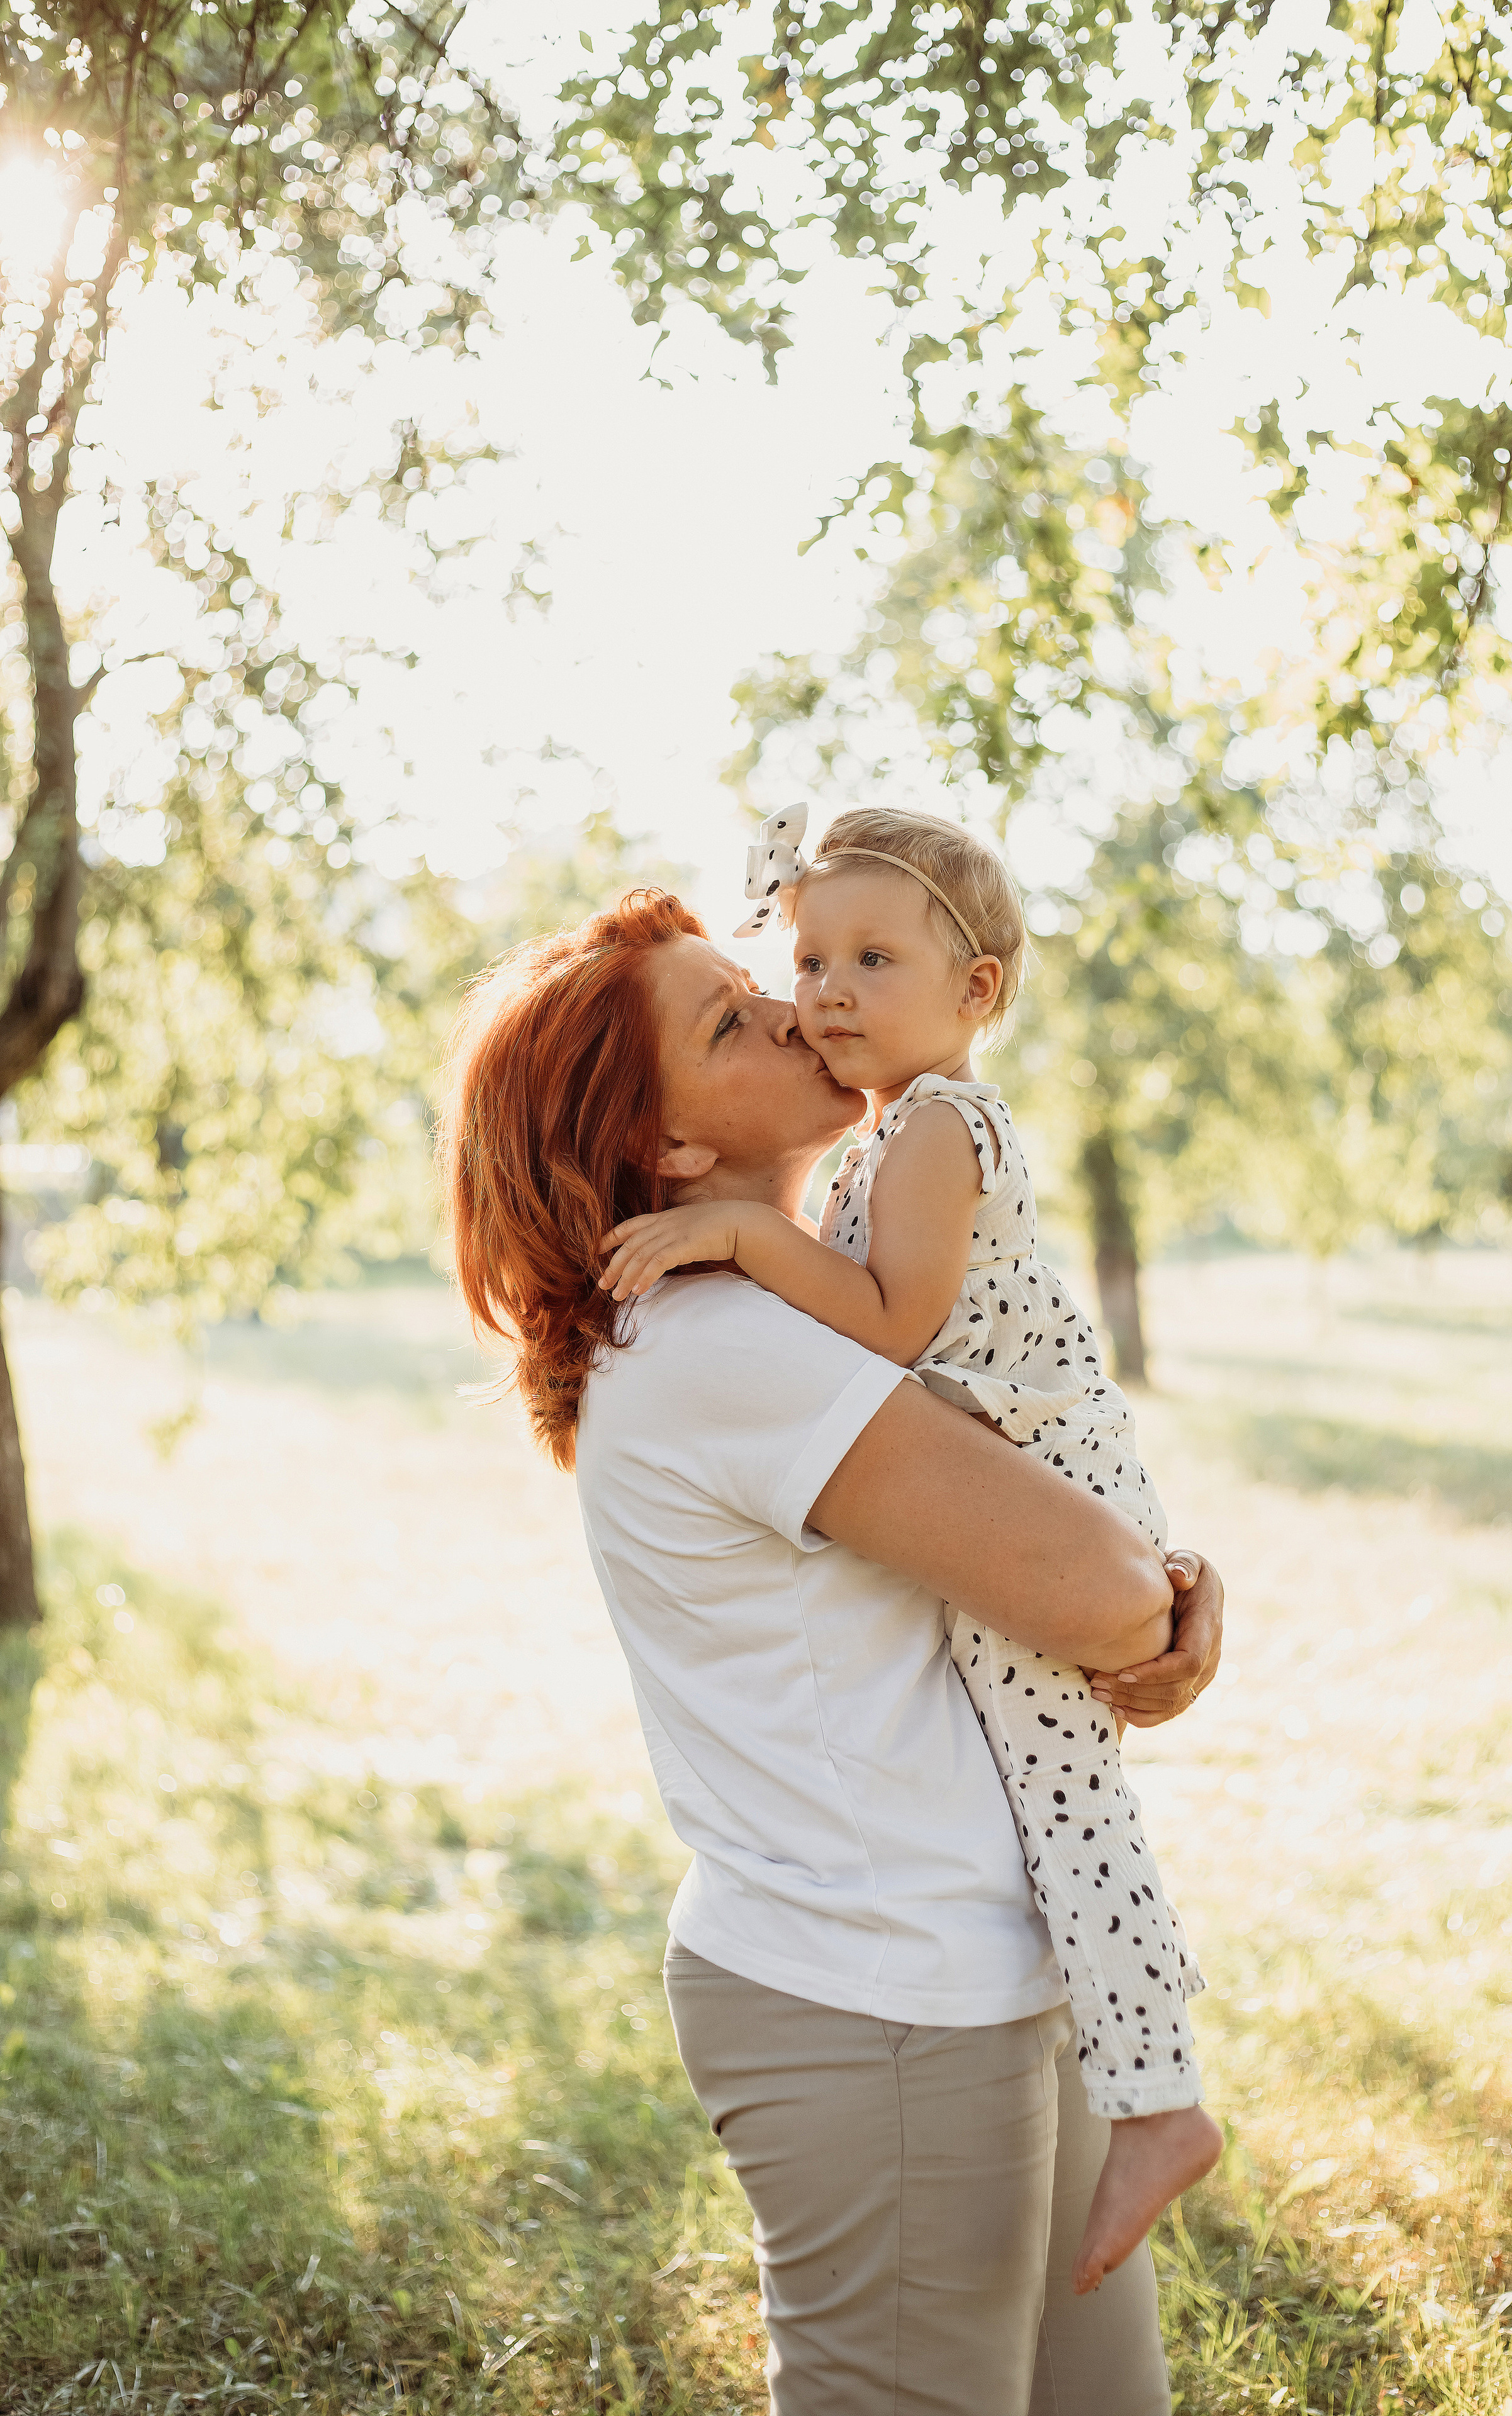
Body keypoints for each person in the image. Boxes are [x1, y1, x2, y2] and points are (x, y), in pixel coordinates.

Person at [439, 886, 1225, 2416]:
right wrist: (1166, 1607)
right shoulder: (723, 1348)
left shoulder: (769, 1314)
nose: (804, 1009)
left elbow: (1100, 1582)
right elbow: (1100, 1599)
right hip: (882, 2007)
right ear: (662, 1150)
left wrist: (1178, 1596)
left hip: (976, 1969)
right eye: (736, 1018)